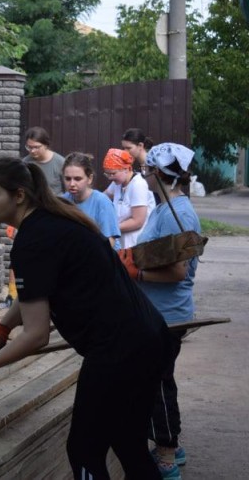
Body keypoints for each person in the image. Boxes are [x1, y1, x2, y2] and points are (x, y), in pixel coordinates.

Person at [0, 157, 170, 480]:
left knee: (84, 450)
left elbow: (36, 335)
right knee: (128, 443)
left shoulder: (33, 241)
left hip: (117, 351)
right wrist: (5, 325)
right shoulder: (55, 222)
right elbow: (37, 289)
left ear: (19, 195)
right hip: (146, 337)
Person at [116, 143, 201, 480]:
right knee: (159, 378)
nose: (145, 176)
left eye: (148, 171)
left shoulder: (180, 213)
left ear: (158, 174)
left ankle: (166, 455)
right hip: (159, 313)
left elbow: (178, 273)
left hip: (168, 316)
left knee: (157, 384)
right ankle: (172, 447)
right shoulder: (167, 208)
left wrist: (136, 273)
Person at [61, 152, 121, 249]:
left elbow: (110, 241)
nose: (72, 183)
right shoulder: (63, 201)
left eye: (77, 179)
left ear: (89, 178)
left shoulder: (102, 202)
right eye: (68, 179)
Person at [103, 148, 154, 248]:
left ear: (126, 169)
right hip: (121, 243)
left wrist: (110, 228)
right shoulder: (118, 182)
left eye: (113, 173)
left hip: (135, 243)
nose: (110, 178)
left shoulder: (138, 185)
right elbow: (103, 197)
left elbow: (138, 221)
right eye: (107, 174)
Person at [22, 126, 65, 193]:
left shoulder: (60, 162)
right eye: (29, 147)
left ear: (46, 145)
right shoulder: (25, 162)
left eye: (36, 147)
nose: (32, 151)